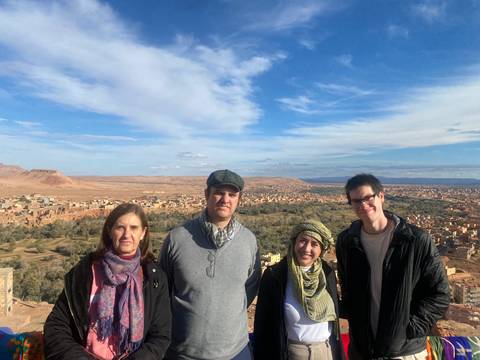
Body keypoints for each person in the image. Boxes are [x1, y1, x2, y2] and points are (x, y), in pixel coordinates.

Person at [336, 174, 450, 360]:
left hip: (404, 351)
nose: (363, 205)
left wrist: (408, 328)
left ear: (381, 196)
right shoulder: (347, 241)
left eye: (368, 198)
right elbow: (348, 291)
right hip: (362, 349)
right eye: (356, 201)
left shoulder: (415, 240)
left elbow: (440, 293)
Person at [44, 203, 171, 360]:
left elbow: (160, 336)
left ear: (143, 233)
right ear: (110, 231)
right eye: (120, 227)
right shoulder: (86, 272)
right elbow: (56, 326)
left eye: (133, 228)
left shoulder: (154, 278)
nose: (126, 234)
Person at [159, 169, 261, 360]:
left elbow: (250, 287)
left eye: (232, 194)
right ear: (207, 194)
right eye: (219, 192)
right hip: (182, 353)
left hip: (235, 352)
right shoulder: (177, 238)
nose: (225, 199)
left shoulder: (248, 241)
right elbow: (163, 290)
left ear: (239, 199)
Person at [253, 219, 345, 360]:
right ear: (294, 242)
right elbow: (262, 326)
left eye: (314, 244)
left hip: (327, 351)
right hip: (292, 353)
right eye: (303, 241)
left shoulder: (327, 273)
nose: (307, 249)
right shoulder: (275, 276)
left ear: (321, 250)